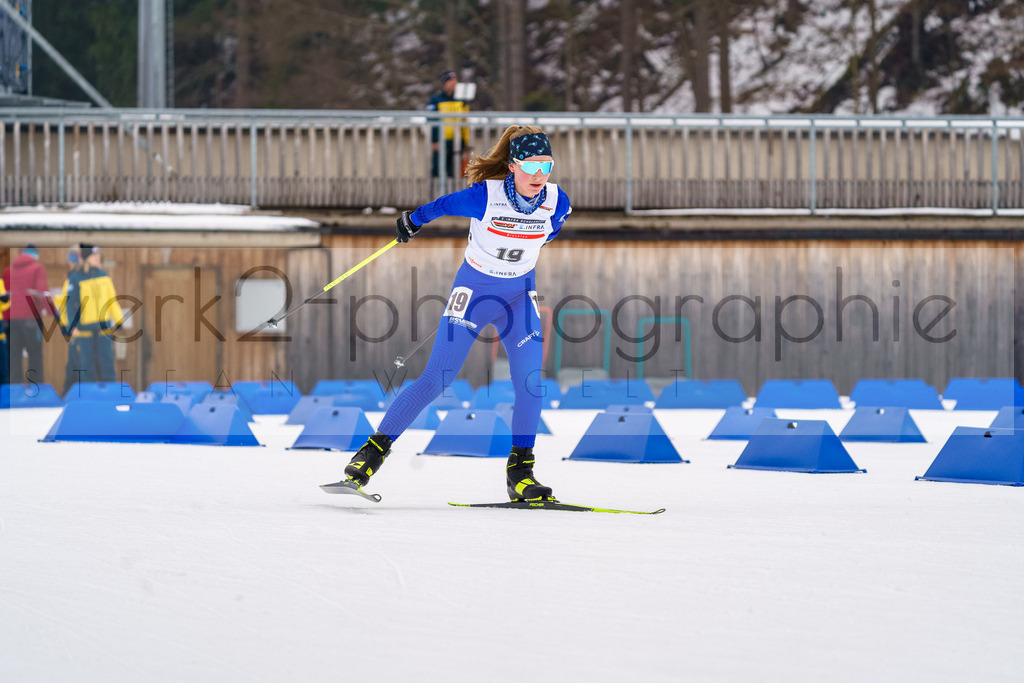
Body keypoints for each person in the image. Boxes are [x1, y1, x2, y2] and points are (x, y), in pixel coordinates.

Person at [340, 124, 572, 501]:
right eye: (531, 166)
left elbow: (547, 234)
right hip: (474, 293)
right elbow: (443, 206)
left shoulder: (557, 202)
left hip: (518, 298)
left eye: (546, 166)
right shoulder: (485, 196)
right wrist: (412, 221)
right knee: (437, 378)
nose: (539, 175)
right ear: (512, 166)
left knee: (531, 382)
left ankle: (521, 474)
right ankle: (372, 453)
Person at [60, 245, 123, 383]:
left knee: (106, 361)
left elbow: (112, 299)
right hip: (84, 328)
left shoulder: (104, 276)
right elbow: (70, 305)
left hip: (104, 327)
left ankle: (110, 394)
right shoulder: (75, 278)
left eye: (98, 255)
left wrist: (119, 319)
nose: (97, 257)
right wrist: (72, 325)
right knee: (87, 364)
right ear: (86, 258)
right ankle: (89, 395)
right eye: (94, 255)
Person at [2, 244, 57, 384]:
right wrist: (53, 312)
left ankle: (13, 392)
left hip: (9, 320)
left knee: (13, 356)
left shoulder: (8, 271)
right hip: (30, 319)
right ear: (35, 255)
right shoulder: (37, 269)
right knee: (35, 354)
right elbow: (41, 293)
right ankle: (35, 391)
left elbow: (4, 296)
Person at [428, 70, 471, 182]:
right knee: (438, 171)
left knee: (455, 172)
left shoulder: (461, 99)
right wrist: (434, 140)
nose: (453, 84)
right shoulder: (436, 99)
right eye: (450, 81)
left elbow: (465, 121)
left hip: (457, 141)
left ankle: (452, 196)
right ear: (444, 83)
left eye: (455, 81)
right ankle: (436, 196)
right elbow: (432, 120)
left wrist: (466, 142)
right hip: (442, 141)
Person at [55, 245, 83, 394]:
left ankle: (71, 394)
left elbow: (74, 301)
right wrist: (52, 299)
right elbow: (65, 299)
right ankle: (69, 394)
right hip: (70, 325)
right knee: (73, 362)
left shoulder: (77, 278)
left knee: (76, 363)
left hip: (77, 326)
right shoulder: (70, 278)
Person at [0, 277, 9, 386]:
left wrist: (5, 300)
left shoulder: (0, 282)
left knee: (3, 358)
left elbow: (5, 305)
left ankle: (5, 389)